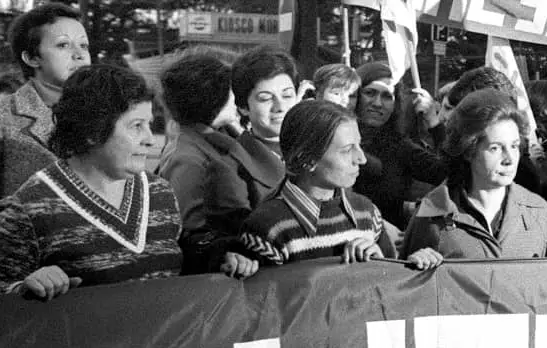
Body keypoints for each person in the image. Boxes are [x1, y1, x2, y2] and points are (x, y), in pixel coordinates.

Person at [0, 65, 182, 298]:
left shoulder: (161, 193)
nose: (150, 139)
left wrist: (216, 255)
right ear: (92, 131)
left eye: (149, 124)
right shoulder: (27, 210)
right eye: (136, 126)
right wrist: (23, 289)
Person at [0, 4, 90, 279]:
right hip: (27, 288)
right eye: (63, 45)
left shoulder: (104, 115)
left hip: (95, 281)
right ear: (31, 58)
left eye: (84, 45)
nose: (79, 54)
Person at [237, 100, 439, 270]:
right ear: (307, 159)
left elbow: (391, 283)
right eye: (347, 150)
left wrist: (392, 263)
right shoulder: (268, 227)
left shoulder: (367, 213)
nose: (361, 159)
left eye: (359, 145)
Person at [404, 89, 547, 261]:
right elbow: (404, 281)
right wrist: (414, 264)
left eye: (514, 146)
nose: (509, 159)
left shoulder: (538, 211)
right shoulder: (431, 212)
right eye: (496, 148)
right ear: (468, 150)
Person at [156, 49, 271, 277]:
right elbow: (194, 231)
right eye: (232, 91)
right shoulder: (187, 159)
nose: (239, 98)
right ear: (212, 98)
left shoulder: (217, 137)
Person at [351, 62, 449, 227]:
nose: (377, 103)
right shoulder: (332, 138)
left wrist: (434, 123)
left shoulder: (399, 147)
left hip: (385, 248)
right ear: (354, 96)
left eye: (387, 96)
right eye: (369, 93)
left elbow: (447, 172)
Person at [227, 46, 294, 204]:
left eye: (287, 95)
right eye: (265, 98)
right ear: (243, 107)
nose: (280, 106)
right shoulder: (230, 167)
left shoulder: (320, 150)